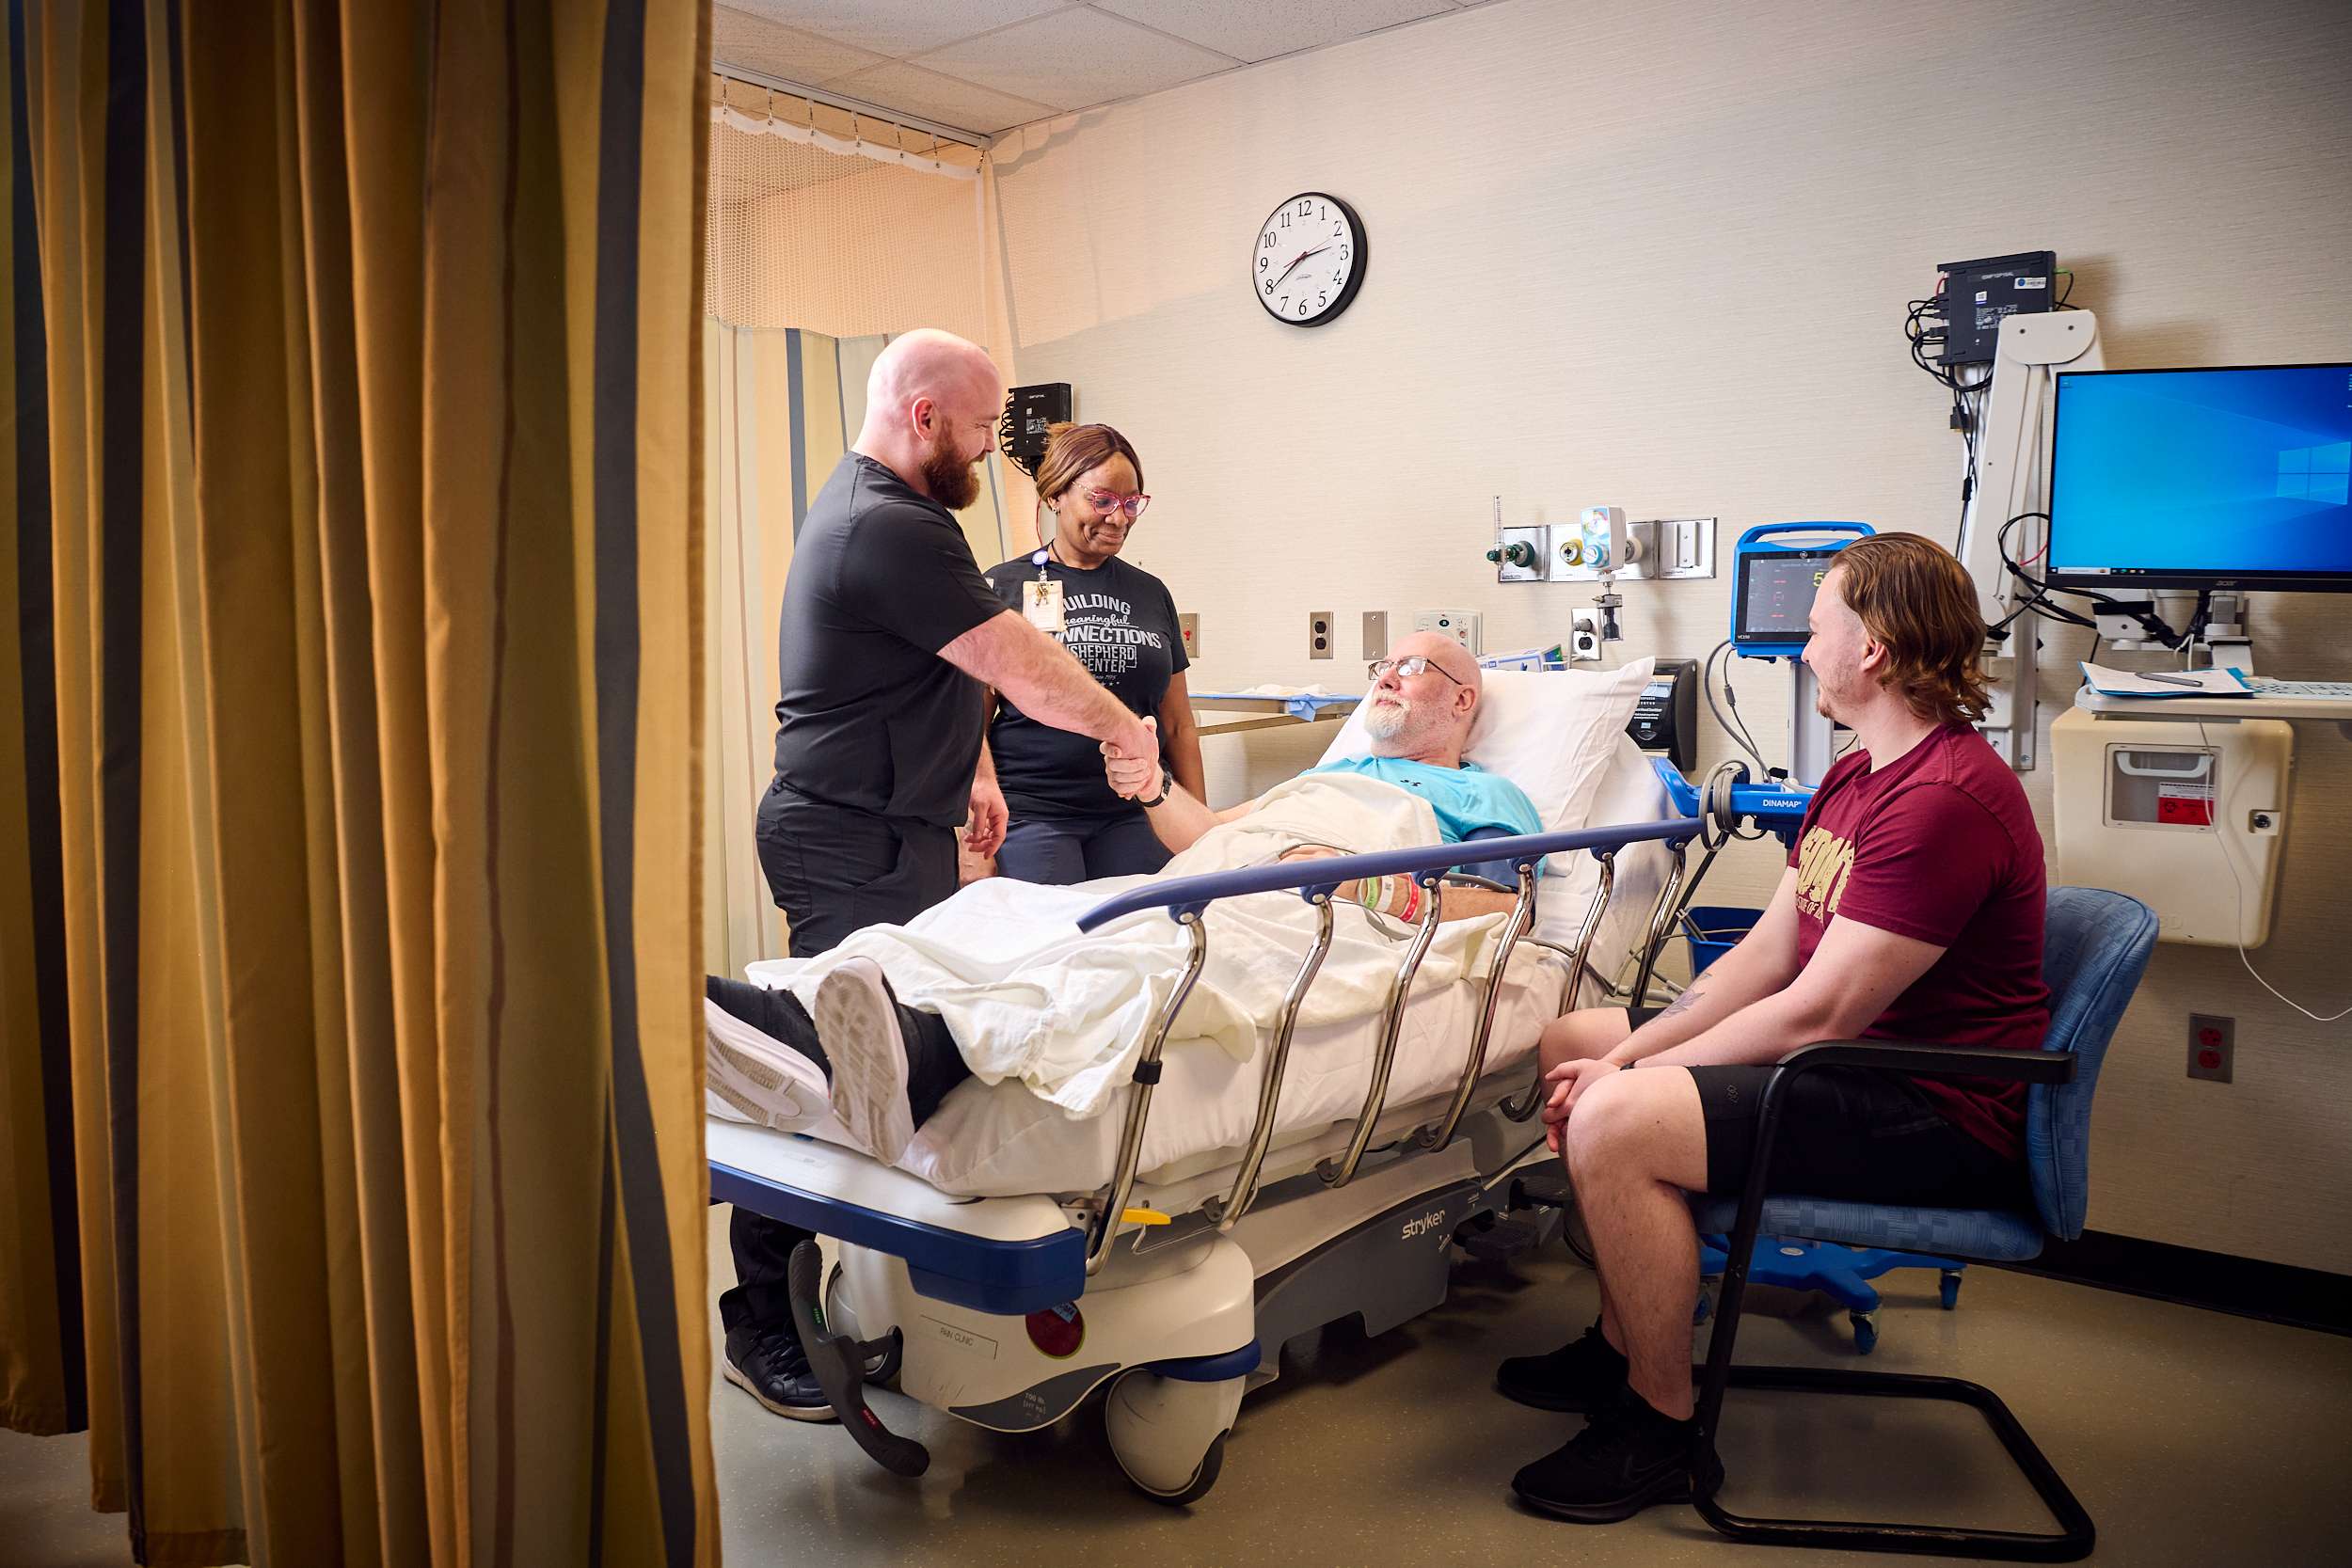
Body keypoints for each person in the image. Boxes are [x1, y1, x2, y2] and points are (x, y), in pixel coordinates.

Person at [1497, 532, 2049, 1524]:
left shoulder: (1942, 800)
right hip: (1851, 1067)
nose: (1801, 649)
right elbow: (1766, 953)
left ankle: (1663, 1430)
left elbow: (1820, 1008)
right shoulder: (1857, 773)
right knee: (1573, 1039)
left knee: (1614, 1116)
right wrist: (1621, 1049)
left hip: (1930, 1107)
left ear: (1872, 646)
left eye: (1817, 627)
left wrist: (1629, 1075)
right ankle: (1621, 1345)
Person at [727, 328, 1163, 1425]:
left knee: (889, 1066)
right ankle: (763, 1326)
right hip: (849, 835)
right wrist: (1124, 730)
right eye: (978, 430)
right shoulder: (890, 521)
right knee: (816, 1080)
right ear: (926, 417)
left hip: (890, 826)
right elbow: (1015, 659)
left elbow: (941, 663)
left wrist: (968, 766)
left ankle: (861, 1301)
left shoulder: (880, 507)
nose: (987, 451)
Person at [706, 629, 1547, 1163]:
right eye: (1384, 665)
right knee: (1005, 917)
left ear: (1463, 700)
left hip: (1324, 909)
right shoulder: (1333, 772)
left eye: (1414, 666)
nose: (1387, 677)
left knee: (1144, 965)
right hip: (1226, 872)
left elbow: (1509, 907)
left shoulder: (1486, 799)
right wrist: (1149, 786)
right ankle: (800, 1019)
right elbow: (1207, 830)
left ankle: (916, 1052)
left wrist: (1373, 885)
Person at [979, 422, 1204, 883]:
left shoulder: (1151, 593)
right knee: (1051, 942)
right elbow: (969, 722)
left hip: (1135, 812)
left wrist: (1202, 830)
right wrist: (971, 829)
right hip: (1032, 812)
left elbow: (1178, 724)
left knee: (1140, 939)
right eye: (1102, 501)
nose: (1119, 518)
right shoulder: (1002, 587)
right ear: (1057, 494)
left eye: (1131, 503)